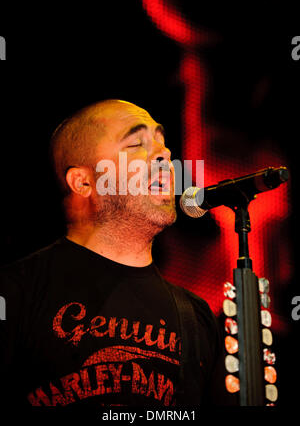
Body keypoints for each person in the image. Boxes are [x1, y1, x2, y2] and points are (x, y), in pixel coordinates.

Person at [0, 99, 235, 410]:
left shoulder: (196, 317)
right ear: (83, 182)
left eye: (162, 142)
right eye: (136, 143)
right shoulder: (16, 290)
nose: (164, 154)